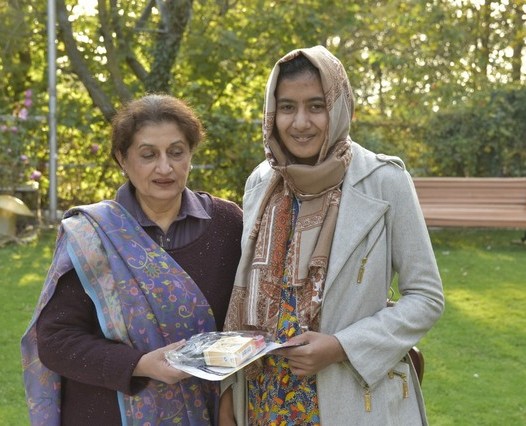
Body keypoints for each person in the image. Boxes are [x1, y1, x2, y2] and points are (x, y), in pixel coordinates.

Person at [220, 46, 445, 425]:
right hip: (263, 398)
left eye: (316, 106)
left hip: (348, 397)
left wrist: (342, 346)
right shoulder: (261, 181)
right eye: (287, 107)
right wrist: (230, 393)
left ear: (339, 106)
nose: (300, 122)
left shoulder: (384, 181)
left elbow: (426, 297)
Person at [21, 94, 243, 425]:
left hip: (205, 412)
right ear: (122, 159)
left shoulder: (228, 225)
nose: (165, 167)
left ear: (191, 154)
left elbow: (244, 327)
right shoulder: (92, 235)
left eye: (176, 152)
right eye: (148, 155)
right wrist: (138, 364)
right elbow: (55, 341)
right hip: (107, 413)